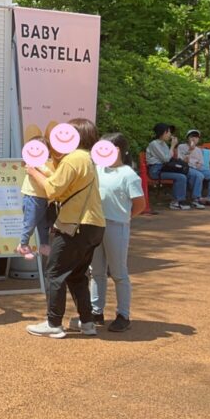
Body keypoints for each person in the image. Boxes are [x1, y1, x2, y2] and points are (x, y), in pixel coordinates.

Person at [25, 118, 106, 339]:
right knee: (77, 275)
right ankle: (87, 322)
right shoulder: (87, 159)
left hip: (74, 225)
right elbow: (62, 185)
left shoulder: (73, 158)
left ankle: (54, 323)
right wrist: (43, 170)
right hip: (93, 225)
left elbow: (53, 189)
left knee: (54, 273)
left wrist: (33, 172)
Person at [90, 132, 146, 333]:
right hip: (95, 225)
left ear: (117, 150)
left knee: (118, 273)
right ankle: (96, 311)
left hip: (116, 226)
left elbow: (140, 204)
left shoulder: (128, 174)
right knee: (96, 271)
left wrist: (125, 217)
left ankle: (123, 315)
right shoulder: (97, 169)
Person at [145, 123, 203, 210]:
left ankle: (192, 199)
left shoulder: (163, 144)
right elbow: (166, 159)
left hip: (164, 168)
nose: (170, 134)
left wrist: (172, 148)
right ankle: (176, 202)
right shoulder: (154, 144)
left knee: (187, 173)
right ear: (162, 132)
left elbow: (169, 158)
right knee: (181, 177)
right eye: (168, 132)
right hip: (156, 170)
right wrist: (172, 146)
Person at [17, 135, 55, 259]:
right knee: (30, 222)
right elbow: (50, 174)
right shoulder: (33, 162)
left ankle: (44, 245)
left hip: (43, 198)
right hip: (32, 196)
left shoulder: (47, 162)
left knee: (43, 224)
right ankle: (23, 245)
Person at [176, 129, 210, 206]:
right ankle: (196, 198)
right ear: (187, 138)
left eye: (196, 137)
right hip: (187, 167)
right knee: (199, 175)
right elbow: (183, 162)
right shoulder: (181, 147)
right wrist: (190, 150)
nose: (194, 139)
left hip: (198, 168)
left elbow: (200, 163)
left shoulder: (198, 150)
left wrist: (198, 165)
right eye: (192, 137)